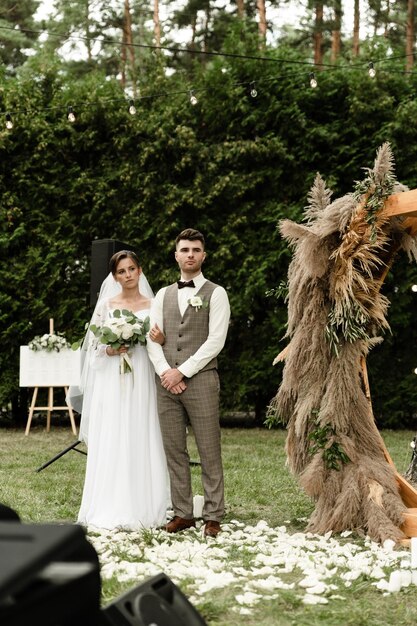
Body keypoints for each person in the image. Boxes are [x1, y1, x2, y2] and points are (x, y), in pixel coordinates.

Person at [75, 250, 168, 530]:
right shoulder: (107, 305)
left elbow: (162, 342)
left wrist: (160, 337)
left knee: (142, 431)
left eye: (131, 269)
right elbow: (92, 348)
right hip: (113, 381)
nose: (127, 275)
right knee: (114, 434)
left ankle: (145, 504)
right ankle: (110, 503)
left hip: (142, 375)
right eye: (121, 272)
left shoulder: (154, 304)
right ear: (114, 277)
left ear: (140, 271)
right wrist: (110, 348)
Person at [147, 228, 230, 537]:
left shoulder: (216, 293)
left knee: (209, 449)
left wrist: (183, 372)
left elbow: (215, 341)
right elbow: (151, 338)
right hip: (166, 384)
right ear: (176, 255)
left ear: (203, 256)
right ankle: (182, 513)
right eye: (185, 249)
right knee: (175, 450)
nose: (190, 254)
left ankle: (213, 515)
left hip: (202, 381)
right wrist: (166, 372)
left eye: (196, 249)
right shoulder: (162, 294)